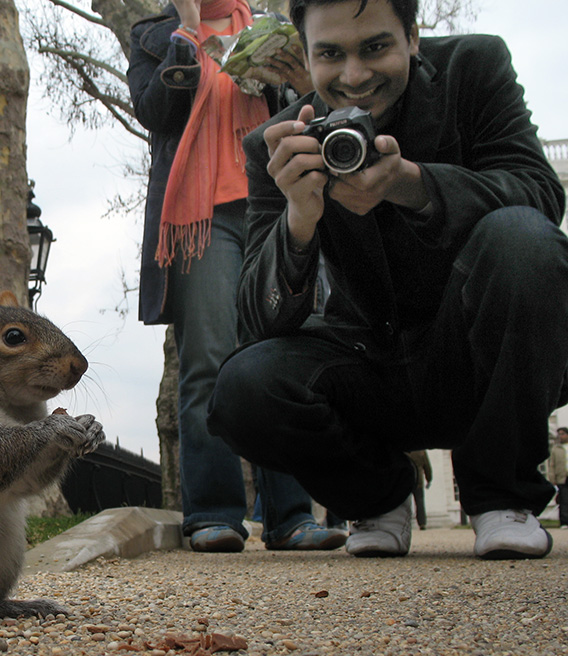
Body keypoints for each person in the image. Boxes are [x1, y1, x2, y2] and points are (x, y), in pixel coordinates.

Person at [207, 0, 567, 560]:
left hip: (483, 349)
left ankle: (502, 497)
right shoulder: (276, 147)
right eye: (330, 54)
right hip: (367, 366)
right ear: (305, 55)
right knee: (243, 388)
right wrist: (297, 222)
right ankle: (377, 497)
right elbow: (259, 321)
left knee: (522, 239)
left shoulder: (474, 68)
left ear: (413, 39)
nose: (354, 76)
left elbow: (539, 194)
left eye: (375, 47)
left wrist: (413, 184)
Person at [128, 0, 348, 552]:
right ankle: (213, 513)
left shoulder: (277, 31)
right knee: (208, 358)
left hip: (276, 203)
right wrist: (186, 31)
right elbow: (155, 111)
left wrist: (302, 83)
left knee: (286, 348)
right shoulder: (156, 34)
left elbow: (319, 115)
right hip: (201, 218)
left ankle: (292, 516)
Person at [547, 427, 568, 528]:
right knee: (564, 501)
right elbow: (552, 465)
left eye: (563, 434)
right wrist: (552, 478)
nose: (561, 436)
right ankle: (564, 522)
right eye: (559, 434)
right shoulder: (556, 449)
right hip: (562, 478)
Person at [406, 450, 432, 529]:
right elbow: (427, 466)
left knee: (406, 504)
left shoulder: (405, 450)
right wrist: (429, 479)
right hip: (418, 480)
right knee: (420, 502)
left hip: (406, 480)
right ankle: (422, 523)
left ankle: (406, 523)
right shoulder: (421, 451)